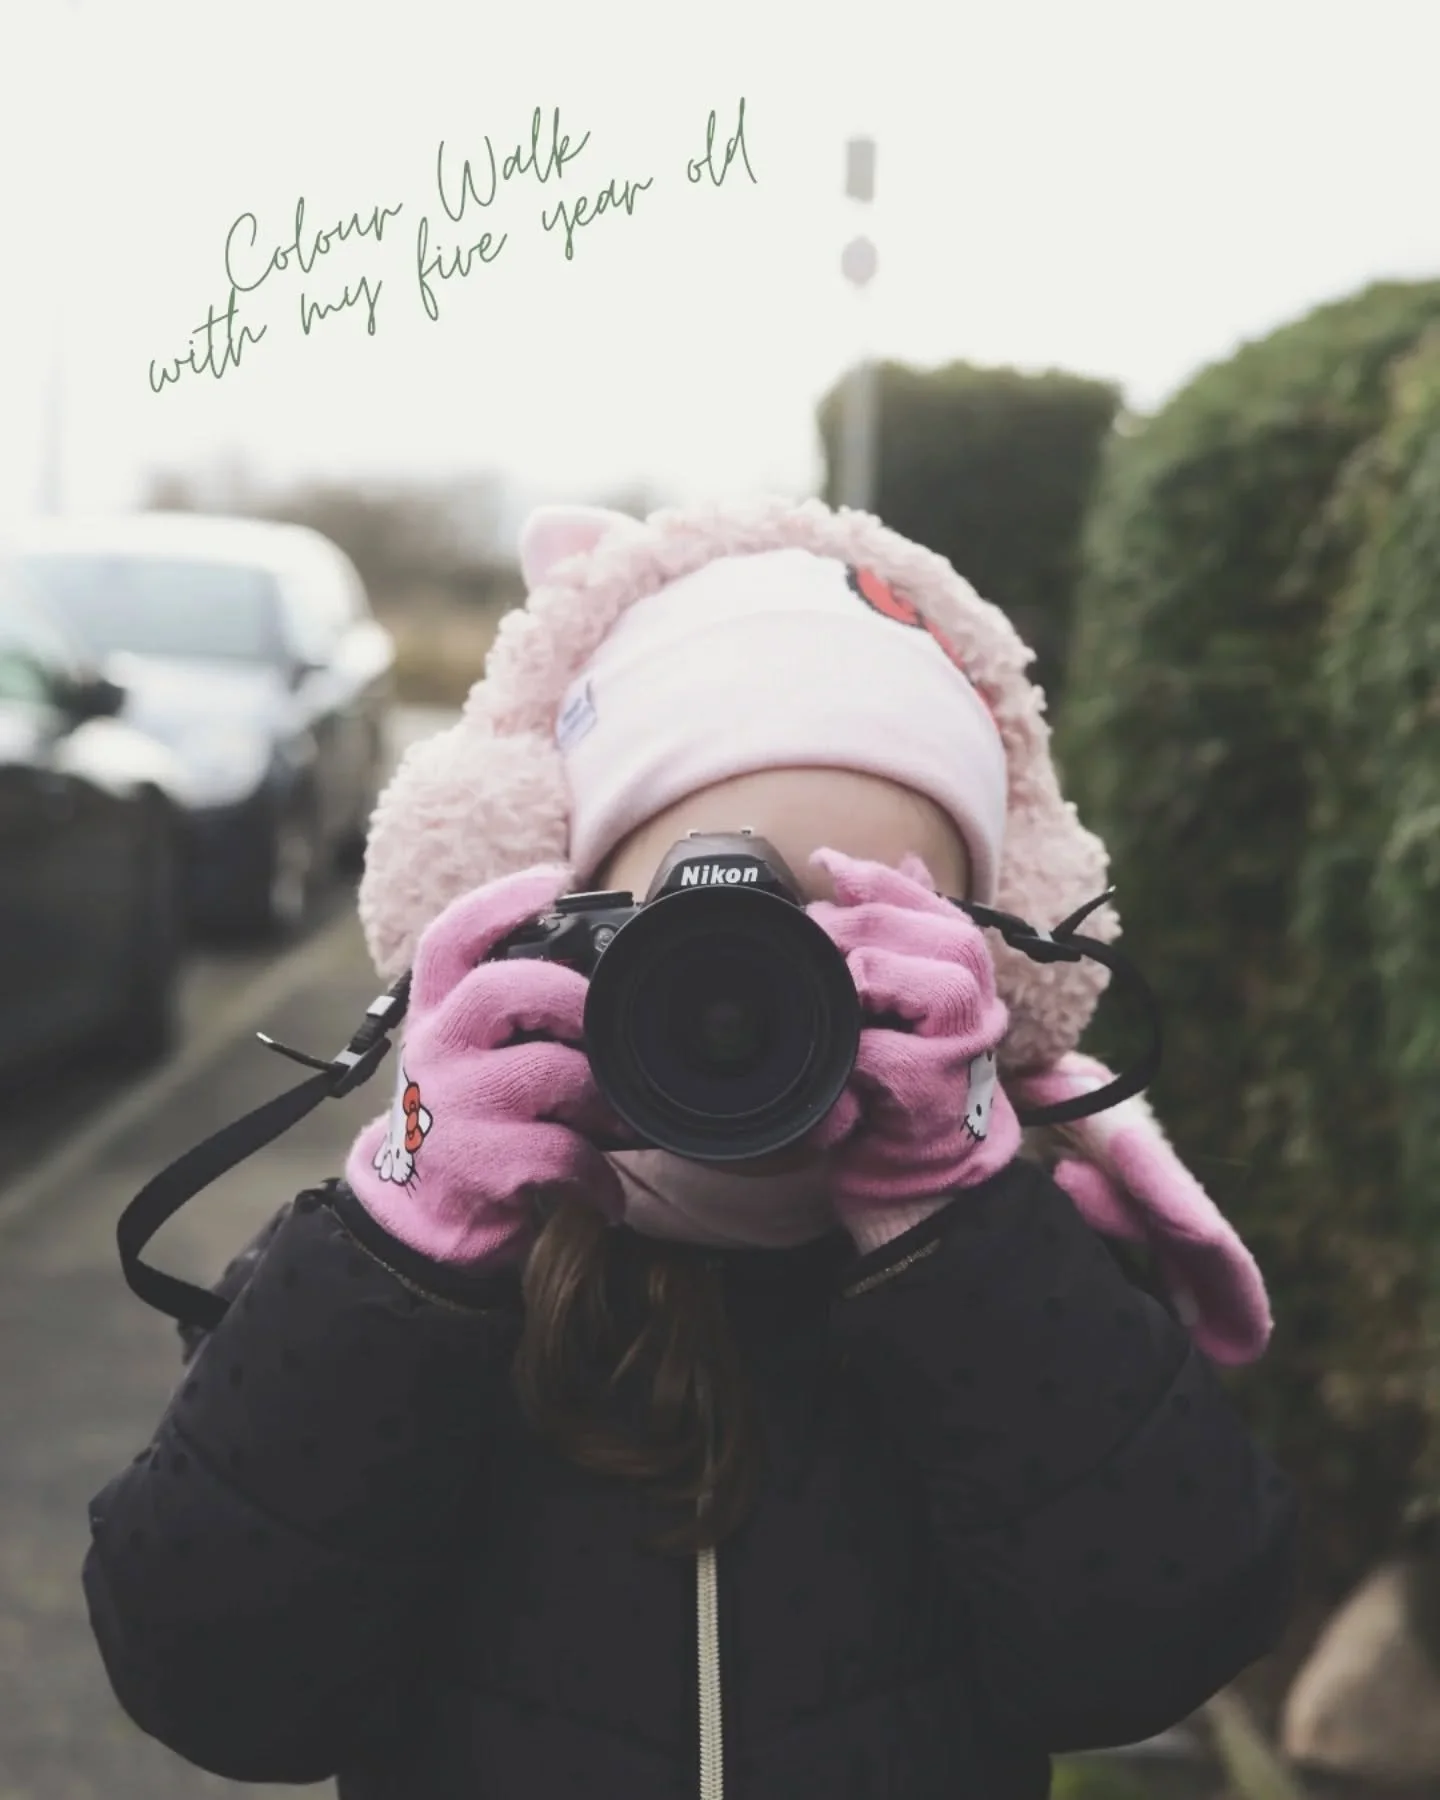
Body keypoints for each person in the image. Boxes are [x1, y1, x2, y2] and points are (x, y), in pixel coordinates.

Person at [82, 497, 1298, 1800]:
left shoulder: (1029, 1265)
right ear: (560, 917)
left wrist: (963, 1228)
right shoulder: (418, 1250)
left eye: (869, 929)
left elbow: (1159, 1651)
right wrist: (411, 1208)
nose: (772, 993)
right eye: (709, 919)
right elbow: (210, 1685)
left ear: (987, 973)